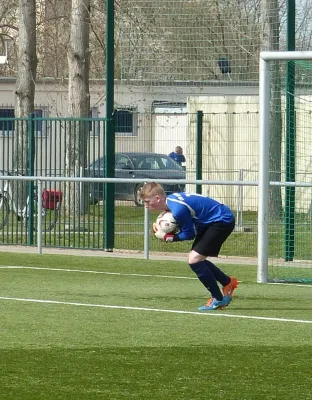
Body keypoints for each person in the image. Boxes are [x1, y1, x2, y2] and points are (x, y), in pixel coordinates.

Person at [140, 182, 239, 311]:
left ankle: (218, 299)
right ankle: (227, 283)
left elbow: (189, 234)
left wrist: (167, 237)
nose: (146, 205)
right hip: (211, 221)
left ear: (157, 198)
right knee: (197, 260)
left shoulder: (178, 210)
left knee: (194, 260)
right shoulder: (172, 201)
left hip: (221, 220)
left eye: (147, 201)